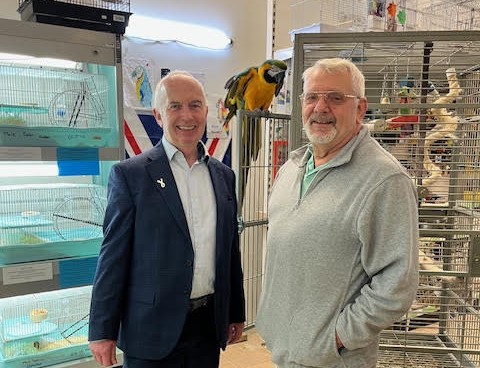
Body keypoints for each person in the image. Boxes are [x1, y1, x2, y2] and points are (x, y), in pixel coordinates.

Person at [255, 58, 419, 368]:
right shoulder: (292, 167)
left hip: (334, 360)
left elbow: (397, 283)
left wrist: (335, 338)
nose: (320, 108)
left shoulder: (384, 180)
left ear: (360, 109)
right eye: (312, 97)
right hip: (283, 352)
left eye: (335, 98)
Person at [88, 70, 245, 368]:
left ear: (206, 111)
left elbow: (229, 252)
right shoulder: (131, 175)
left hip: (206, 327)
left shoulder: (224, 176)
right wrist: (101, 330)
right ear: (159, 115)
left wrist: (235, 312)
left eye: (195, 105)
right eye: (175, 106)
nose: (187, 115)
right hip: (150, 330)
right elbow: (112, 257)